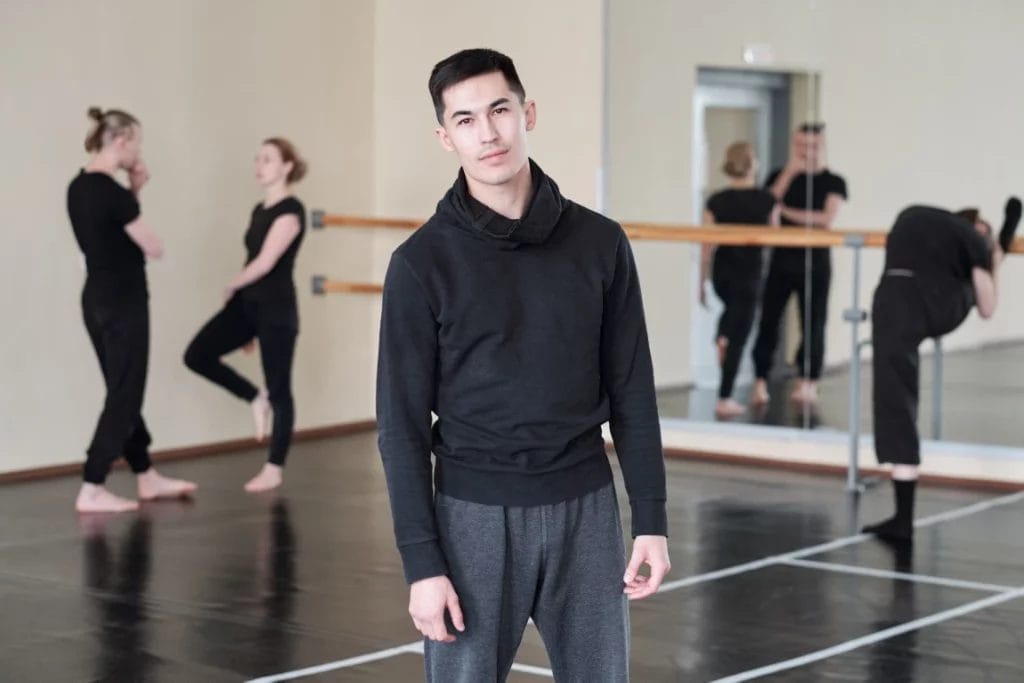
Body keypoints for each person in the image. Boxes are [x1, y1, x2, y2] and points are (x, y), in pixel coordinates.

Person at [376, 49, 670, 682]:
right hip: (471, 518)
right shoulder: (420, 264)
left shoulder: (601, 243)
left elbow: (633, 392)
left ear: (527, 112)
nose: (487, 133)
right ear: (445, 137)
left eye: (499, 110)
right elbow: (400, 428)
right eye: (465, 120)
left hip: (586, 509)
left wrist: (651, 518)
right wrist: (422, 563)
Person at [862, 199, 1019, 543]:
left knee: (894, 400)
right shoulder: (974, 241)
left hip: (891, 297)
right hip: (929, 301)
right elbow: (988, 307)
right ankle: (902, 519)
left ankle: (902, 518)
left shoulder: (924, 223)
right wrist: (994, 254)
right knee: (896, 403)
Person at [67, 107, 197, 513]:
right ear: (121, 140)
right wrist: (135, 189)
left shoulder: (77, 187)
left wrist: (132, 191)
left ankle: (145, 474)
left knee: (120, 388)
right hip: (123, 301)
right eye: (136, 143)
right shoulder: (113, 192)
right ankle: (92, 484)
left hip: (94, 299)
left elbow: (110, 236)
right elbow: (153, 246)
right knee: (125, 393)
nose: (138, 153)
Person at [183, 138, 308, 493]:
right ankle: (254, 396)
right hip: (247, 308)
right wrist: (244, 321)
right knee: (196, 355)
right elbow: (252, 259)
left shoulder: (292, 210)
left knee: (280, 389)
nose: (259, 165)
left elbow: (265, 263)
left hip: (277, 312)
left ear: (286, 166)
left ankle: (274, 467)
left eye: (267, 159)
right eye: (258, 159)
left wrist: (231, 285)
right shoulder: (259, 210)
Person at [750, 123, 848, 405]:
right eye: (802, 145)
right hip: (781, 261)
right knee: (768, 321)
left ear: (823, 146)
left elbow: (825, 219)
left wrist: (786, 213)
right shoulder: (779, 176)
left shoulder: (834, 181)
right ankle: (760, 381)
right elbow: (766, 205)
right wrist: (789, 173)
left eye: (813, 145)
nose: (807, 151)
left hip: (816, 262)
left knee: (814, 322)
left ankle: (808, 381)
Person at [699, 141, 779, 418]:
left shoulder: (716, 201)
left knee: (731, 314)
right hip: (750, 274)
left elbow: (706, 245)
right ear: (753, 164)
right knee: (740, 338)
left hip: (722, 273)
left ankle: (722, 334)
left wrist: (701, 282)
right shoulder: (767, 200)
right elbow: (776, 240)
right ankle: (724, 398)